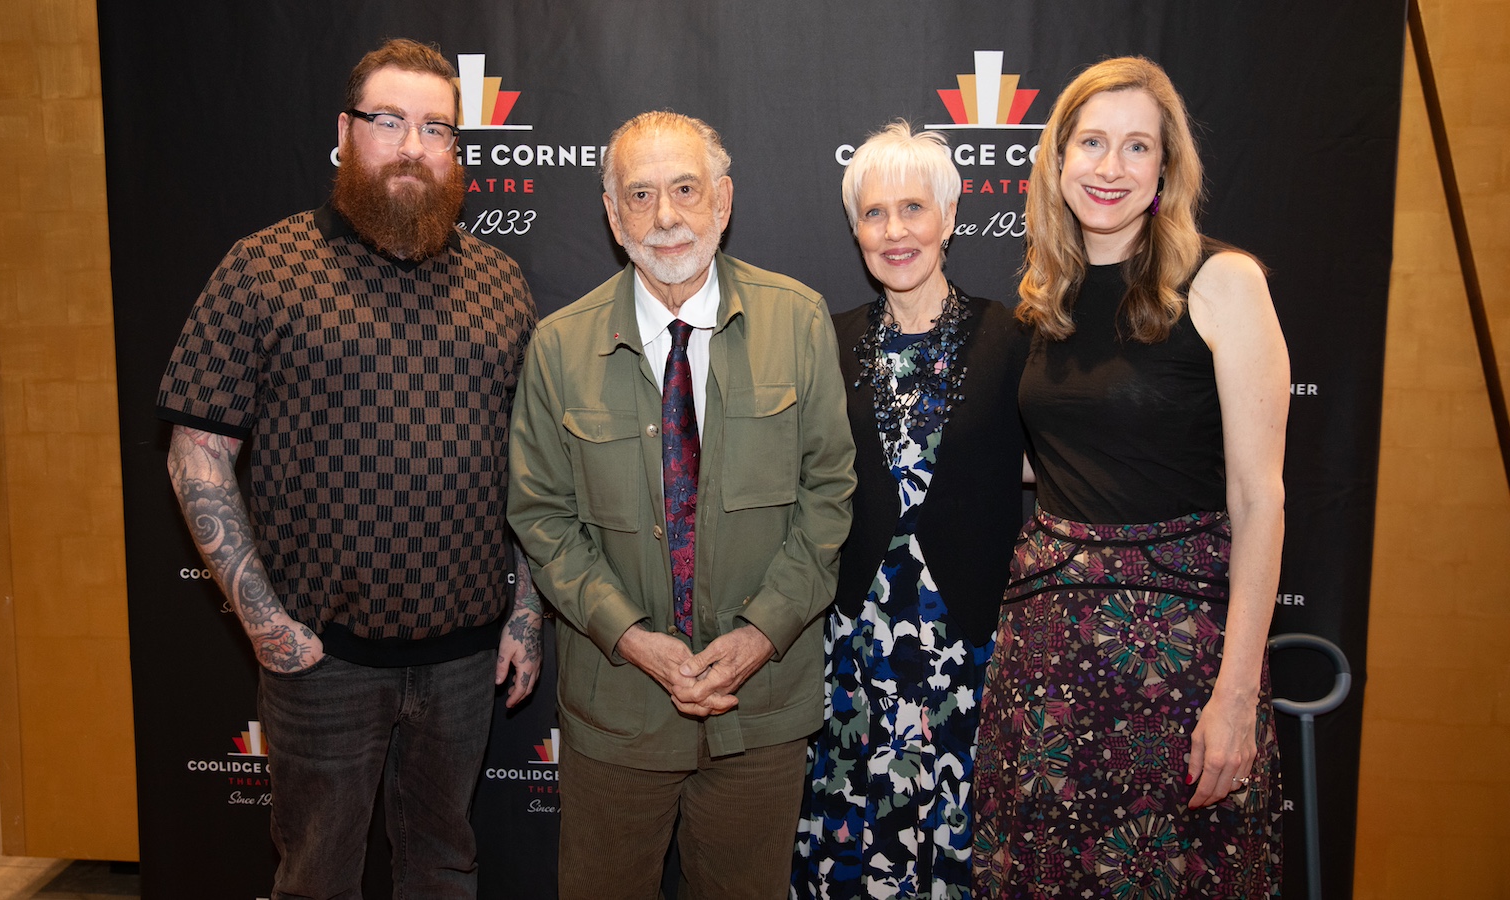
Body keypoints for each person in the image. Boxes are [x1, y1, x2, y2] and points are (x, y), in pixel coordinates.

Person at [156, 38, 542, 899]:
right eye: (389, 120)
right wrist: (264, 621)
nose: (413, 144)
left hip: (463, 662)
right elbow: (198, 452)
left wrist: (524, 612)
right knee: (317, 877)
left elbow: (533, 470)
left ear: (456, 150)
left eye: (436, 127)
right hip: (317, 660)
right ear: (344, 132)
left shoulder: (501, 284)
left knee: (444, 867)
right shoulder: (264, 267)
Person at [506, 110, 856, 900]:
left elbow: (830, 494)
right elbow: (542, 517)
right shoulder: (560, 346)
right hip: (617, 710)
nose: (665, 217)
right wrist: (632, 640)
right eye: (640, 194)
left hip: (759, 705)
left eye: (685, 190)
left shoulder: (796, 320)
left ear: (723, 202)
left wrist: (761, 635)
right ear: (611, 213)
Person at [970, 57, 1287, 897]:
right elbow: (1054, 456)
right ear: (1059, 160)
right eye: (1093, 143)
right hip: (1047, 663)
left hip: (1178, 663)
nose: (1110, 168)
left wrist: (1239, 695)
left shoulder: (1223, 282)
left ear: (1165, 168)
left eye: (1136, 146)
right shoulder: (1046, 298)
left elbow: (1260, 501)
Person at [790, 121, 1027, 899]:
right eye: (874, 213)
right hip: (855, 658)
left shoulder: (1014, 339)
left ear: (951, 217)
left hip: (969, 659)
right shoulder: (829, 340)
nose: (895, 232)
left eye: (914, 209)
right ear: (855, 228)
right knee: (854, 854)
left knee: (960, 856)